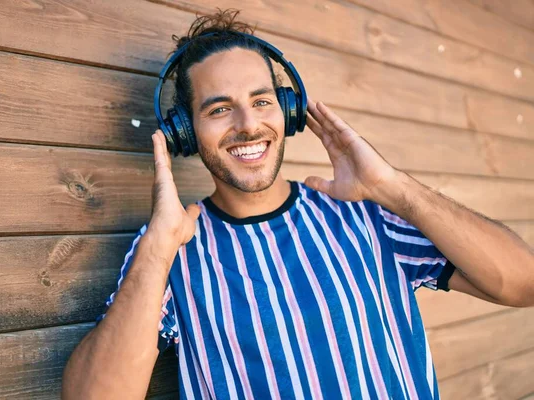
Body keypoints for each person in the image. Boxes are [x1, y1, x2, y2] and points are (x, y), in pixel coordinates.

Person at [62, 9, 534, 400]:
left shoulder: (370, 217)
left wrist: (395, 188)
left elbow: (522, 283)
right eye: (219, 108)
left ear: (287, 112)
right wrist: (159, 247)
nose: (248, 124)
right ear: (185, 132)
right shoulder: (169, 251)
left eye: (262, 101)